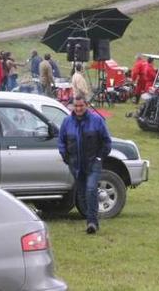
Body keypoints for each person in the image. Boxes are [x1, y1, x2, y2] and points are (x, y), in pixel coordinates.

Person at [58, 96, 112, 234]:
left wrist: (100, 158)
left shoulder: (97, 121)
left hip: (93, 163)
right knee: (82, 194)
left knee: (91, 189)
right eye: (76, 106)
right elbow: (61, 142)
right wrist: (66, 157)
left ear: (86, 105)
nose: (78, 109)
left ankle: (92, 222)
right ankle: (91, 217)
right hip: (76, 165)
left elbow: (107, 142)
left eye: (81, 106)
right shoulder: (67, 122)